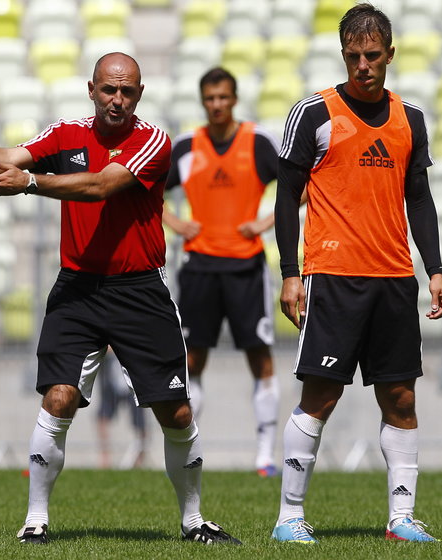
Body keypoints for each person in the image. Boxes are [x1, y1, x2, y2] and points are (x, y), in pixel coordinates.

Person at [0, 52, 240, 546]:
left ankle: (193, 521)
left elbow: (99, 186)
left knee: (176, 413)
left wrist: (29, 184)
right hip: (78, 288)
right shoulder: (67, 133)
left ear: (140, 94)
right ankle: (35, 522)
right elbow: (11, 155)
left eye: (127, 91)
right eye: (109, 89)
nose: (117, 99)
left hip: (139, 290)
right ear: (92, 89)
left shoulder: (153, 141)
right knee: (59, 398)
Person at [270, 4, 442, 544]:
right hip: (333, 276)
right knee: (320, 397)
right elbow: (285, 200)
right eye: (354, 57)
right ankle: (289, 518)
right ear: (343, 55)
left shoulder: (410, 119)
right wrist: (289, 272)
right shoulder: (313, 113)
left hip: (395, 278)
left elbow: (419, 199)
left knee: (401, 398)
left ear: (390, 55)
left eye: (373, 56)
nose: (363, 66)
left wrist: (435, 269)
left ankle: (400, 520)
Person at [162, 67, 280, 477]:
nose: (216, 105)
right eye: (210, 98)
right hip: (199, 267)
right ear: (202, 101)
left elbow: (301, 184)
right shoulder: (187, 146)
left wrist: (265, 223)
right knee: (192, 359)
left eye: (223, 97)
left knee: (260, 356)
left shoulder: (258, 143)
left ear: (234, 98)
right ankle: (190, 448)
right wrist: (175, 223)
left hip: (246, 266)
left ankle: (265, 456)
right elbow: (142, 189)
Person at [96, 348, 147, 469]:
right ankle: (105, 458)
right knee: (102, 418)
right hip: (111, 382)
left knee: (140, 422)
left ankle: (140, 459)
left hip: (132, 382)